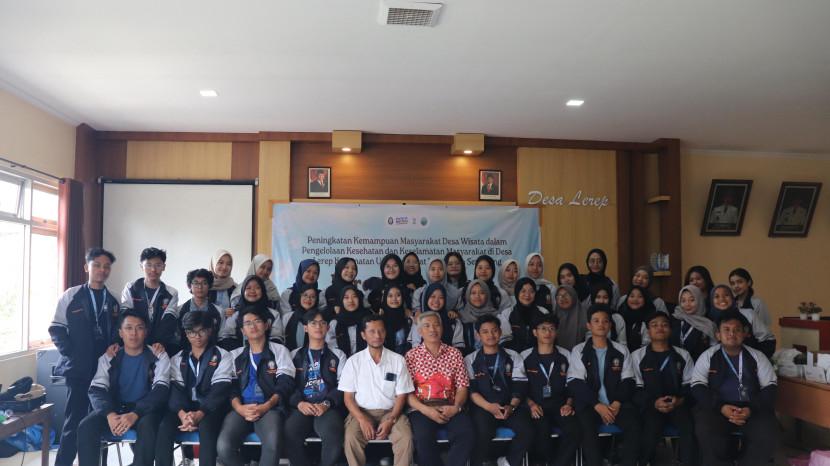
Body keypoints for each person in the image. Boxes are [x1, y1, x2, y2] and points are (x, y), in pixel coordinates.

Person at [49, 248, 121, 466]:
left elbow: (119, 333)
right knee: (74, 422)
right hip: (78, 371)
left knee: (99, 422)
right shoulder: (71, 296)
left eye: (106, 266)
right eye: (97, 265)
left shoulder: (114, 300)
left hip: (105, 372)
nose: (102, 270)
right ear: (86, 268)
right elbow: (56, 329)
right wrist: (72, 354)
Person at [77, 309, 171, 466]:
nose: (133, 333)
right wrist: (109, 414)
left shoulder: (159, 356)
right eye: (128, 328)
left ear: (146, 332)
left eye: (139, 328)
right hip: (115, 409)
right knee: (86, 426)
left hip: (145, 411)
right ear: (121, 332)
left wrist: (135, 413)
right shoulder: (109, 357)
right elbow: (96, 390)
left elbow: (161, 391)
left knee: (148, 427)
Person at [691, 310, 777, 466]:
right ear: (718, 335)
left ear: (745, 334)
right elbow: (697, 386)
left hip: (751, 408)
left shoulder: (758, 356)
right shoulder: (708, 356)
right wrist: (720, 407)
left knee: (767, 433)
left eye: (737, 330)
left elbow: (770, 387)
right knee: (706, 430)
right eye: (726, 329)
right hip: (717, 409)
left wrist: (750, 409)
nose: (732, 334)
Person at [218, 305, 296, 466]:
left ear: (266, 325)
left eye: (257, 321)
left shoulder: (280, 351)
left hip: (270, 408)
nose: (253, 326)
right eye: (248, 323)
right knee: (224, 447)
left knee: (273, 445)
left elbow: (285, 383)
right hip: (242, 409)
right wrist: (239, 408)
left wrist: (266, 406)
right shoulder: (234, 355)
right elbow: (231, 387)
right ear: (242, 331)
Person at [156, 311, 233, 466]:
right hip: (184, 409)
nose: (197, 336)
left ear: (210, 331)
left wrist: (200, 413)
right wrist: (183, 414)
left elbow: (219, 390)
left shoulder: (223, 355)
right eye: (192, 332)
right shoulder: (178, 358)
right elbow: (175, 390)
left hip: (211, 409)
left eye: (201, 331)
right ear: (186, 333)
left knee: (207, 427)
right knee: (164, 427)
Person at [567, 304, 640, 466]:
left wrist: (617, 402)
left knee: (634, 426)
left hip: (616, 404)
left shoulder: (621, 350)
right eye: (596, 321)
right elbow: (575, 383)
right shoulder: (579, 350)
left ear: (610, 325)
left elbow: (628, 381)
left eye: (605, 321)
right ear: (588, 325)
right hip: (590, 405)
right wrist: (597, 405)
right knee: (587, 430)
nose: (601, 324)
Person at [339, 315, 415, 466]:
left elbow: (402, 395)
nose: (377, 335)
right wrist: (362, 419)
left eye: (381, 331)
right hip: (361, 412)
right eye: (372, 331)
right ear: (363, 335)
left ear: (385, 333)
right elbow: (348, 398)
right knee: (351, 438)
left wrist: (391, 419)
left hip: (391, 411)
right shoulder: (354, 361)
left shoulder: (397, 360)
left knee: (406, 438)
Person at [405, 311, 475, 466]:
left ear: (442, 328)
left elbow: (462, 386)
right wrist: (426, 410)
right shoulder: (411, 356)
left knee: (466, 434)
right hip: (422, 408)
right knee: (423, 438)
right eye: (427, 326)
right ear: (420, 331)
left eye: (436, 325)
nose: (432, 329)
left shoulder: (454, 354)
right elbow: (407, 392)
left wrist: (456, 407)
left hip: (451, 406)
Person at [465, 314, 533, 466]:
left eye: (494, 330)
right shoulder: (470, 359)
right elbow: (472, 391)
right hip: (483, 407)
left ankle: (507, 462)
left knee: (527, 431)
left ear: (500, 332)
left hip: (510, 405)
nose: (490, 335)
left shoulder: (513, 356)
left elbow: (520, 385)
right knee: (481, 432)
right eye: (485, 331)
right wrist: (489, 407)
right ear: (477, 335)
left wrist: (512, 406)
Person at [631, 312, 696, 465]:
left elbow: (691, 386)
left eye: (664, 325)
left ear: (670, 330)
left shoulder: (683, 355)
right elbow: (635, 389)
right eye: (654, 325)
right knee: (650, 429)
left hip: (678, 404)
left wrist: (679, 400)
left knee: (689, 429)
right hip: (650, 405)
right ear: (648, 331)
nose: (660, 328)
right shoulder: (637, 356)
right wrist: (653, 403)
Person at [285, 309, 348, 466]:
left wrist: (327, 403)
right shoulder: (294, 355)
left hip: (327, 407)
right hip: (302, 406)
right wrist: (299, 403)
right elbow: (288, 385)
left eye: (322, 323)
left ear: (328, 327)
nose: (318, 327)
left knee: (333, 435)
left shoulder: (338, 355)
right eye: (313, 323)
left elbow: (343, 386)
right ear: (306, 328)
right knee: (289, 433)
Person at [521, 314, 580, 466]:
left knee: (574, 430)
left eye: (552, 328)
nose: (548, 332)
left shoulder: (566, 355)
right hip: (536, 406)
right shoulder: (524, 356)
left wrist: (569, 404)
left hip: (560, 405)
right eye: (543, 329)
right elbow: (520, 387)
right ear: (535, 332)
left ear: (556, 332)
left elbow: (572, 384)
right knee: (542, 432)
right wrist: (531, 404)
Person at [120, 246, 180, 355]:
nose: (153, 270)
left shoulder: (171, 293)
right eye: (148, 265)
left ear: (164, 267)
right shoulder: (130, 288)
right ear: (141, 266)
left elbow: (168, 321)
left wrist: (159, 342)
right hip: (133, 343)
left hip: (158, 347)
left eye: (158, 265)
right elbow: (126, 316)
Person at [710, 285, 776, 358]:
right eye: (717, 296)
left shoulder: (748, 314)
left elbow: (767, 339)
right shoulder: (710, 322)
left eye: (726, 295)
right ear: (711, 301)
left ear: (732, 297)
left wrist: (756, 358)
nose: (722, 299)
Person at [224, 275, 286, 349]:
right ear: (243, 291)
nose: (252, 291)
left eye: (257, 288)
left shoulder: (273, 314)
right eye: (248, 288)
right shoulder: (236, 315)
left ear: (263, 291)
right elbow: (227, 336)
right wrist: (244, 352)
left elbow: (277, 338)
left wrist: (260, 351)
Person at [459, 279, 512, 352]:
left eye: (482, 293)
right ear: (467, 295)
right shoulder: (460, 317)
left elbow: (504, 343)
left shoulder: (498, 317)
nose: (477, 296)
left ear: (487, 295)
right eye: (473, 293)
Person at [178, 268, 224, 349]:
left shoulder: (219, 311)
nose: (200, 287)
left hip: (212, 353)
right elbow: (177, 337)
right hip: (186, 352)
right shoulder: (179, 310)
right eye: (196, 283)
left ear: (209, 286)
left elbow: (221, 337)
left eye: (204, 283)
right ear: (190, 286)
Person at [409, 282, 465, 349]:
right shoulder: (419, 320)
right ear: (426, 298)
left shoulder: (453, 321)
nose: (436, 301)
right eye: (432, 296)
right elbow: (415, 347)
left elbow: (459, 348)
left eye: (441, 297)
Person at [671, 285, 716, 361]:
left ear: (699, 300)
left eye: (692, 300)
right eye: (683, 301)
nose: (687, 304)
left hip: (699, 365)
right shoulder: (674, 319)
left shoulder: (708, 324)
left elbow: (713, 351)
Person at [504, 277, 550, 352]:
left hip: (538, 354)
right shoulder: (507, 313)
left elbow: (548, 337)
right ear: (517, 293)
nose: (527, 295)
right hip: (515, 355)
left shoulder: (543, 312)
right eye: (523, 291)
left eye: (531, 291)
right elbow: (506, 340)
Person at [327, 285, 373, 356]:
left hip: (367, 359)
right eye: (346, 297)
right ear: (341, 301)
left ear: (359, 299)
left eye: (354, 296)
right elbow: (331, 345)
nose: (350, 300)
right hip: (342, 360)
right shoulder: (335, 323)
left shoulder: (369, 321)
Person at [617, 285, 656, 352]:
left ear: (645, 299)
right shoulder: (620, 316)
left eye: (640, 296)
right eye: (632, 296)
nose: (635, 299)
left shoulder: (651, 318)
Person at [282, 283, 319, 351]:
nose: (308, 299)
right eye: (305, 295)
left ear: (316, 300)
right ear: (299, 297)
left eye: (312, 297)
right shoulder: (287, 317)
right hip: (289, 355)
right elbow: (282, 340)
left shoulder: (319, 318)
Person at [553, 285, 587, 351]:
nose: (563, 298)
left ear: (574, 296)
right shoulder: (552, 318)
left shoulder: (586, 316)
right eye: (559, 295)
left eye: (567, 295)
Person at [380, 284, 411, 354]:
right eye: (390, 296)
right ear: (385, 298)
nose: (394, 299)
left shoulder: (409, 319)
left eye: (398, 295)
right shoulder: (379, 321)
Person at [208, 249, 237, 314]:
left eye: (228, 264)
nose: (224, 267)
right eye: (221, 262)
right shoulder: (204, 286)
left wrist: (234, 312)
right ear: (214, 264)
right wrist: (222, 312)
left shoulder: (235, 288)